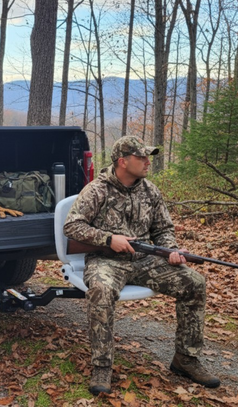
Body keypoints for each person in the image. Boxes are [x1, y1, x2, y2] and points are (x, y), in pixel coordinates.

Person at [63, 135, 221, 395]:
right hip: (107, 260)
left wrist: (169, 251)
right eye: (142, 157)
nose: (148, 162)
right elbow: (72, 226)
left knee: (194, 283)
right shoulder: (97, 189)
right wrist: (108, 239)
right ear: (123, 162)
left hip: (145, 260)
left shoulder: (150, 190)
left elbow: (163, 229)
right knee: (101, 291)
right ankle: (102, 365)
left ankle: (186, 359)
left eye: (149, 157)